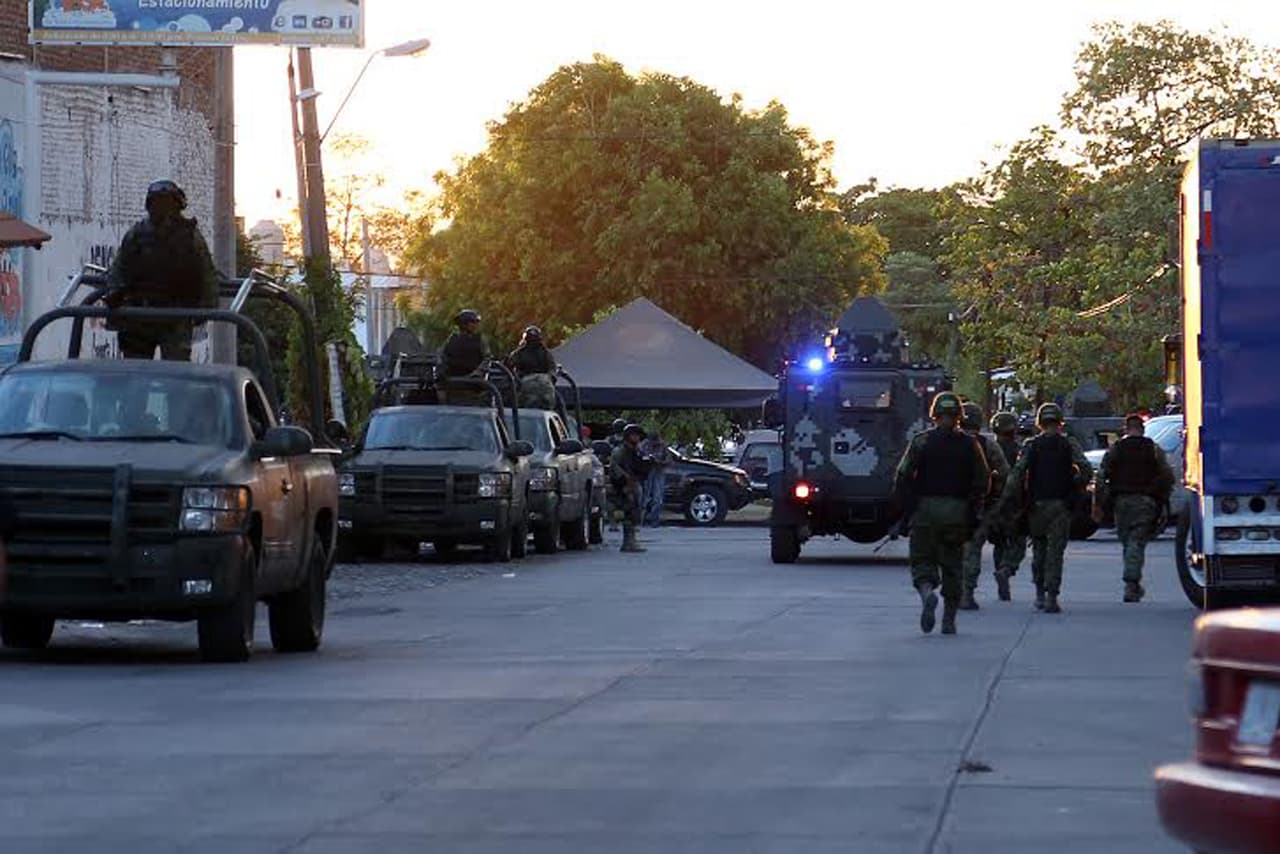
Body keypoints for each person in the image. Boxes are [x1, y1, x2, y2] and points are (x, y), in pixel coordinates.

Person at [893, 392, 990, 636]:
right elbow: (983, 480)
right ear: (959, 416)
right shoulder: (970, 444)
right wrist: (973, 509)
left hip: (925, 512)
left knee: (922, 562)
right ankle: (949, 620)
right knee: (953, 566)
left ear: (934, 415)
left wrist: (907, 508)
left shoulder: (921, 441)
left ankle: (927, 593)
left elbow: (902, 476)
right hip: (956, 513)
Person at [106, 180, 221, 361]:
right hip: (141, 316)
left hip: (174, 316)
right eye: (158, 204)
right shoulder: (137, 235)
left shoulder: (189, 237)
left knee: (173, 371)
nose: (162, 211)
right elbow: (119, 271)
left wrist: (206, 308)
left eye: (166, 205)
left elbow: (206, 275)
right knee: (138, 371)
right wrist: (115, 297)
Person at [1000, 402, 1093, 613]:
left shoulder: (1031, 445)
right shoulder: (1069, 444)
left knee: (1039, 550)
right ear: (1060, 422)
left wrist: (1009, 500)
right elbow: (1086, 469)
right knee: (1055, 553)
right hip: (1061, 505)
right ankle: (1052, 596)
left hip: (1036, 505)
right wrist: (1076, 484)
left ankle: (1040, 593)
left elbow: (1017, 475)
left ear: (1039, 422)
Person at [1093, 413, 1175, 602]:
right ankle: (1132, 583)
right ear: (1143, 429)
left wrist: (1099, 503)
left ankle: (1132, 583)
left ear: (1125, 428)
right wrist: (1161, 498)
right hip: (1145, 501)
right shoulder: (1153, 449)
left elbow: (1101, 476)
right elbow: (1167, 476)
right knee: (1136, 542)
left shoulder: (1116, 449)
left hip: (1121, 503)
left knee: (1128, 542)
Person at [959, 402, 1010, 611]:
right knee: (973, 549)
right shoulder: (987, 445)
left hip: (950, 503)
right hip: (980, 505)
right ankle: (967, 593)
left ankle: (952, 591)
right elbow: (1005, 472)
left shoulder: (947, 441)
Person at [989, 411, 1026, 600]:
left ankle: (1001, 573)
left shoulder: (988, 450)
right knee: (1018, 544)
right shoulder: (1020, 450)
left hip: (993, 504)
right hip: (1015, 505)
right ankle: (1006, 569)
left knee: (999, 543)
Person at [609, 423, 652, 553]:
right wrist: (624, 484)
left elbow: (640, 466)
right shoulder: (620, 451)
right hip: (625, 486)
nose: (637, 438)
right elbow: (614, 469)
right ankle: (628, 542)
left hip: (634, 484)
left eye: (638, 436)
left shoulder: (635, 451)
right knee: (629, 513)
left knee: (633, 513)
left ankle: (631, 541)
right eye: (635, 435)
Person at [508, 326, 558, 410]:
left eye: (534, 339)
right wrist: (517, 379)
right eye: (530, 339)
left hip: (543, 380)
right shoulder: (519, 353)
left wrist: (550, 377)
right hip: (525, 380)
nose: (532, 342)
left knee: (545, 387)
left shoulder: (545, 352)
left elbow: (552, 367)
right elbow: (509, 366)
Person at [638, 429, 670, 527]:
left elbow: (669, 460)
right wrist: (645, 459)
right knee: (644, 497)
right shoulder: (643, 445)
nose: (655, 444)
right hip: (646, 473)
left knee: (658, 498)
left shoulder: (662, 445)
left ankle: (654, 520)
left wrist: (659, 461)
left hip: (658, 472)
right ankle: (640, 520)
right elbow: (637, 458)